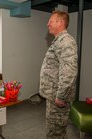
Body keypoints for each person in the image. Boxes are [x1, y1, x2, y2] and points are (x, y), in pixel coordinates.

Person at [39, 11, 78, 139]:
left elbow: (69, 71)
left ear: (60, 23)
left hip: (58, 97)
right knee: (55, 131)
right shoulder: (59, 41)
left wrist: (61, 96)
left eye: (51, 21)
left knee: (55, 133)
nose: (47, 24)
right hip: (54, 95)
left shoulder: (66, 41)